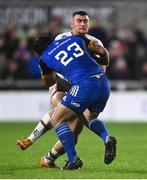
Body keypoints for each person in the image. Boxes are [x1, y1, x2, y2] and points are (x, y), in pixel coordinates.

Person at [17, 11, 116, 168]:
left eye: (85, 21)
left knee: (65, 124)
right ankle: (105, 138)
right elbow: (103, 56)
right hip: (93, 84)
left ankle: (62, 158)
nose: (83, 24)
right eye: (79, 21)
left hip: (82, 85)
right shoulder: (74, 39)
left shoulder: (77, 41)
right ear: (72, 24)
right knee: (79, 119)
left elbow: (48, 79)